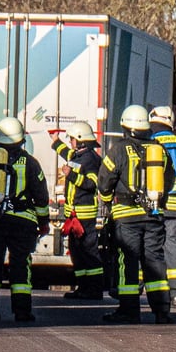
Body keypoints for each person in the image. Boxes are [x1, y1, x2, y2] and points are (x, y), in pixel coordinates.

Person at [97, 104, 174, 324]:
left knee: (127, 261)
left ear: (125, 127)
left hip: (126, 217)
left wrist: (106, 201)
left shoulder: (119, 150)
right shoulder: (160, 150)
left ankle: (129, 310)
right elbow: (169, 180)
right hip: (154, 215)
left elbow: (105, 180)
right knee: (155, 260)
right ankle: (162, 311)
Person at [0, 117, 50, 322]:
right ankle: (22, 311)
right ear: (21, 140)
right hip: (22, 223)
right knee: (20, 264)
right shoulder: (30, 163)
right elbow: (41, 196)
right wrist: (43, 222)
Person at [50, 122, 104, 300]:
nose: (70, 142)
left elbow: (91, 184)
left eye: (72, 139)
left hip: (84, 215)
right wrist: (55, 141)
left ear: (81, 140)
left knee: (88, 252)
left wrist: (71, 175)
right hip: (74, 215)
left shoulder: (91, 160)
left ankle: (94, 289)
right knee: (77, 252)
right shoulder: (78, 155)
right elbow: (67, 153)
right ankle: (83, 287)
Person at [148, 106, 176, 306]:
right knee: (173, 244)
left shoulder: (152, 141)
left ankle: (142, 286)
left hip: (157, 200)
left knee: (150, 244)